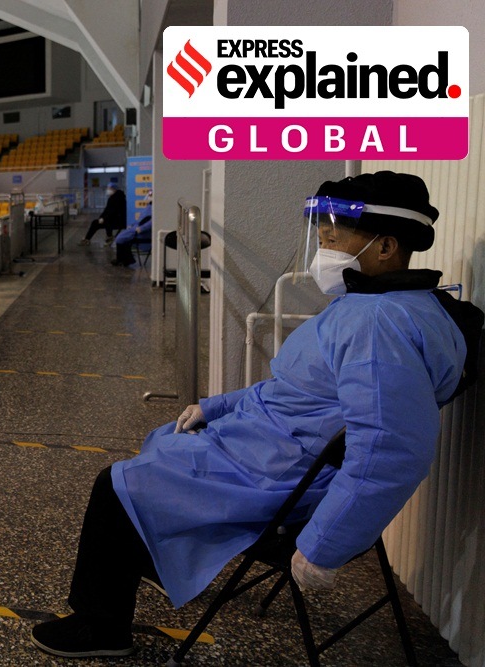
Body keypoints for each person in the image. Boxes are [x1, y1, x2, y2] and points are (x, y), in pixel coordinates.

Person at [32, 171, 482, 658]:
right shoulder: (380, 305)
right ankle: (157, 563)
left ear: (387, 247)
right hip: (275, 449)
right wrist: (217, 406)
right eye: (321, 238)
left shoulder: (376, 326)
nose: (323, 251)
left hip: (280, 478)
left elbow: (390, 450)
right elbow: (300, 391)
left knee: (115, 485)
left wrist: (324, 545)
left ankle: (101, 628)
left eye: (333, 240)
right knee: (164, 440)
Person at [111, 195, 153, 267]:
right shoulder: (148, 207)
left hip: (143, 232)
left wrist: (141, 228)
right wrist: (132, 225)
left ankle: (124, 259)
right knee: (122, 238)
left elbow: (152, 222)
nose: (147, 197)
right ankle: (124, 259)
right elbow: (140, 220)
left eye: (150, 195)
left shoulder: (155, 208)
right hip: (137, 229)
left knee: (121, 238)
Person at [82, 180, 126, 245]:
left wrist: (104, 219)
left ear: (113, 189)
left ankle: (88, 239)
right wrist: (101, 218)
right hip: (113, 219)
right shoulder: (113, 197)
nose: (107, 190)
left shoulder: (118, 198)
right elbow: (107, 211)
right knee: (97, 222)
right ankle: (89, 239)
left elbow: (113, 211)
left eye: (108, 188)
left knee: (98, 223)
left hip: (119, 221)